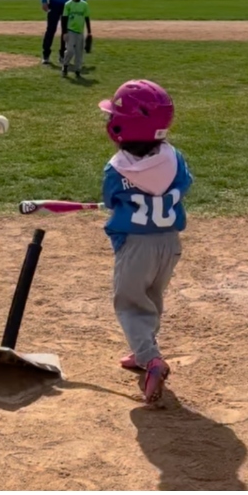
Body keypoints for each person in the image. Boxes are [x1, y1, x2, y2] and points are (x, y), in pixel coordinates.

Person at [98, 79, 192, 404]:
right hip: (169, 242)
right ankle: (142, 351)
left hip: (137, 245)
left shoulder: (115, 170)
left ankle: (151, 361)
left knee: (129, 303)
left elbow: (111, 199)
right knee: (151, 297)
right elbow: (185, 182)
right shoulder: (175, 159)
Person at [60, 0, 93, 79]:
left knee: (79, 52)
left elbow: (87, 18)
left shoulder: (84, 5)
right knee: (70, 50)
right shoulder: (68, 4)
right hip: (70, 30)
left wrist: (89, 32)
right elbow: (64, 19)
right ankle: (65, 65)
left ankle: (77, 70)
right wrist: (64, 32)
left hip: (80, 31)